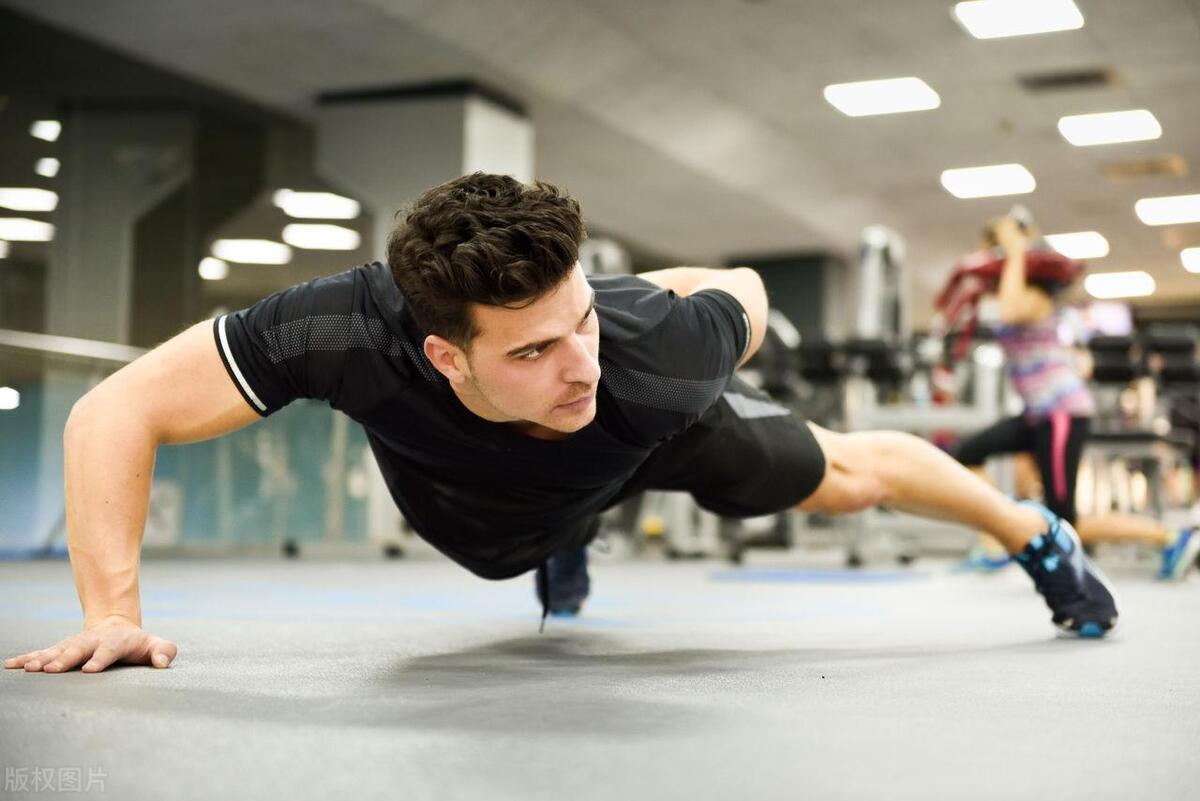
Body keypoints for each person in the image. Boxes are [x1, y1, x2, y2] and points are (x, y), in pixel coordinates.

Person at [5, 174, 1119, 676]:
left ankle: (1033, 532)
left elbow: (740, 284)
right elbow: (120, 408)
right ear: (444, 353)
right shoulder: (338, 333)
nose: (575, 363)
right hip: (472, 509)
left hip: (657, 440)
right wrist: (114, 614)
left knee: (848, 478)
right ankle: (571, 531)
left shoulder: (644, 355)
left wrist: (649, 304)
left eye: (579, 318)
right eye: (533, 348)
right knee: (503, 557)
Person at [950, 215, 1199, 579]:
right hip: (1037, 414)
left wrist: (1016, 246)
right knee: (965, 455)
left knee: (1066, 519)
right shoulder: (1013, 292)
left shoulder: (1033, 297)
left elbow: (1011, 310)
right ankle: (994, 541)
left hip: (1061, 413)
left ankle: (1169, 537)